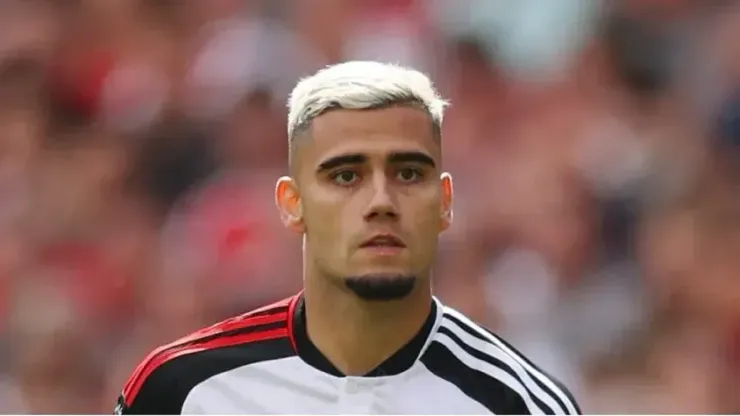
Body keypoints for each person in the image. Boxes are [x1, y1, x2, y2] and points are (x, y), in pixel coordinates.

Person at [115, 61, 581, 415]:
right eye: (345, 176)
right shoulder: (181, 391)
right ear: (291, 204)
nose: (381, 200)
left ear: (444, 202)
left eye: (408, 172)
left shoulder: (520, 404)